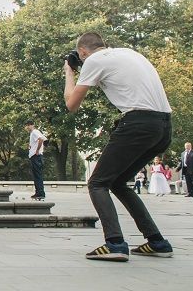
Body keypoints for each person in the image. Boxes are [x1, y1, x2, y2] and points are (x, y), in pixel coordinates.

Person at [64, 32, 173, 261]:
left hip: (137, 123)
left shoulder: (94, 60)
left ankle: (114, 243)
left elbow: (71, 104)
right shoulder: (130, 53)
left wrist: (69, 72)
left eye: (81, 56)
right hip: (163, 125)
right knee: (119, 183)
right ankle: (157, 241)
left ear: (83, 52)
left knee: (97, 183)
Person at [24, 120, 46, 200]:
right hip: (35, 156)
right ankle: (38, 192)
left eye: (27, 126)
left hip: (36, 156)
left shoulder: (34, 132)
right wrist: (31, 147)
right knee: (37, 175)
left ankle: (40, 193)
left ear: (31, 125)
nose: (26, 128)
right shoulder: (33, 133)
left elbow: (41, 139)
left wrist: (37, 150)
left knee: (37, 175)